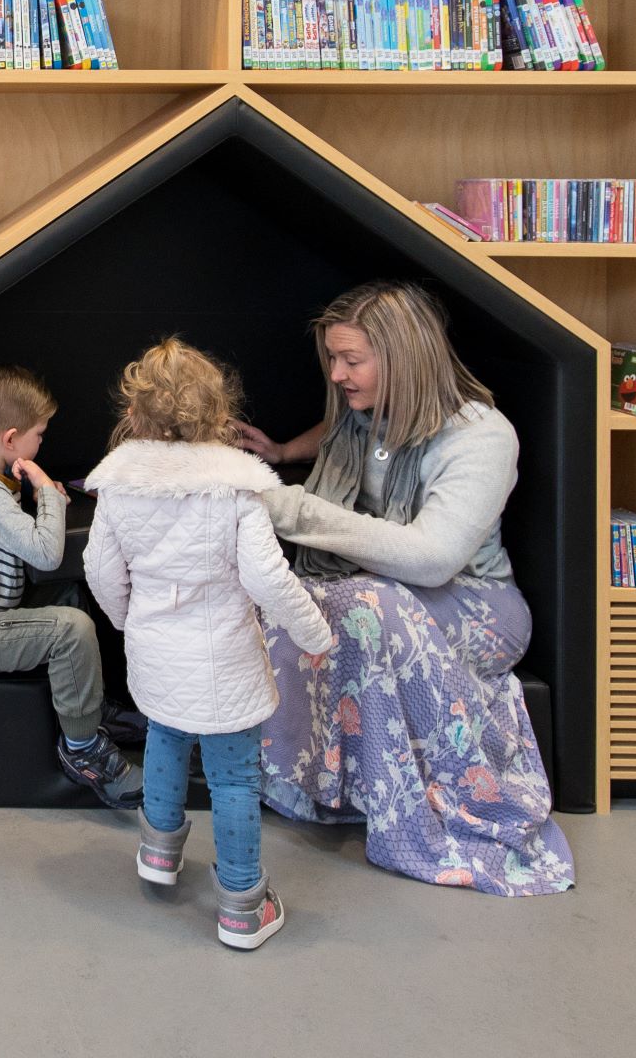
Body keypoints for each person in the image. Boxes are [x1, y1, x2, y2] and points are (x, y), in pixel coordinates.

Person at [235, 280, 575, 895]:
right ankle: (309, 780)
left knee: (360, 606)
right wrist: (286, 449)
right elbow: (345, 435)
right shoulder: (368, 415)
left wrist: (286, 507)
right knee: (287, 596)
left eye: (352, 361)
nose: (337, 374)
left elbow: (431, 559)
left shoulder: (481, 437)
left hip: (476, 604)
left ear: (403, 359)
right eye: (332, 359)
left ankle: (388, 799)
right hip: (377, 588)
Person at [83, 338, 334, 950]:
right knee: (234, 777)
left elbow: (98, 567)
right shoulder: (233, 489)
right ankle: (243, 905)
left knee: (165, 735)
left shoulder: (119, 486)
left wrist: (128, 620)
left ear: (134, 414)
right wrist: (314, 634)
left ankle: (160, 852)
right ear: (218, 414)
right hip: (222, 656)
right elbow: (268, 578)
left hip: (153, 648)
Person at [0, 361, 141, 808]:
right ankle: (82, 750)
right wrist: (51, 499)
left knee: (74, 595)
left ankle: (90, 710)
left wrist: (36, 497)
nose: (43, 441)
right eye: (39, 434)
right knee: (71, 628)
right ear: (10, 439)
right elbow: (45, 554)